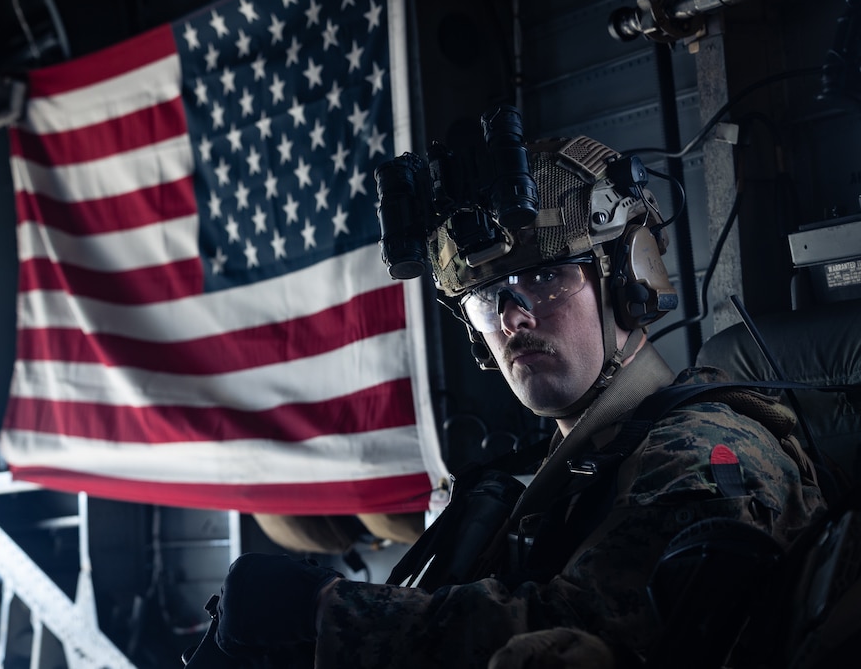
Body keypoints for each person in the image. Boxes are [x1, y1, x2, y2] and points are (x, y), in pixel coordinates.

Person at [192, 130, 828, 668]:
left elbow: (594, 630)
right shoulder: (569, 470)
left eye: (545, 277)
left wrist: (330, 610)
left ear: (631, 280)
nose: (512, 318)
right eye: (487, 295)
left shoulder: (707, 451)